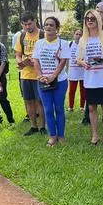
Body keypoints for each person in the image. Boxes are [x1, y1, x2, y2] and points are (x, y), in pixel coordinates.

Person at [77, 9, 103, 145]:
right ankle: (95, 135)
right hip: (90, 80)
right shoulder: (83, 40)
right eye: (87, 18)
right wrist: (83, 63)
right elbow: (78, 59)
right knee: (91, 108)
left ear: (98, 21)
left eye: (92, 18)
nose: (89, 21)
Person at [32, 17, 71, 147]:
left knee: (59, 108)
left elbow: (63, 62)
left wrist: (54, 75)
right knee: (48, 109)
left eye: (51, 25)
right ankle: (52, 136)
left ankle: (61, 135)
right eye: (46, 25)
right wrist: (40, 75)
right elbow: (36, 61)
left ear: (57, 28)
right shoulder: (39, 43)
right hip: (43, 81)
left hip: (59, 81)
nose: (48, 27)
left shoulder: (63, 43)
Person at [15, 11, 46, 136]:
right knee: (29, 101)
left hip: (40, 73)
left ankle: (43, 126)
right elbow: (17, 54)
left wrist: (37, 61)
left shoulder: (43, 34)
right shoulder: (22, 36)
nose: (27, 27)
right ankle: (33, 126)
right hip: (26, 74)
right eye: (25, 25)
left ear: (35, 21)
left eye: (29, 24)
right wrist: (22, 62)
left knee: (40, 101)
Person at [67, 29, 85, 112]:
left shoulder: (84, 45)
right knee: (72, 90)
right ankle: (70, 107)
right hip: (73, 71)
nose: (78, 36)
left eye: (80, 34)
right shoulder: (69, 44)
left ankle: (82, 106)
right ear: (73, 35)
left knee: (83, 90)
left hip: (82, 71)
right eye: (76, 34)